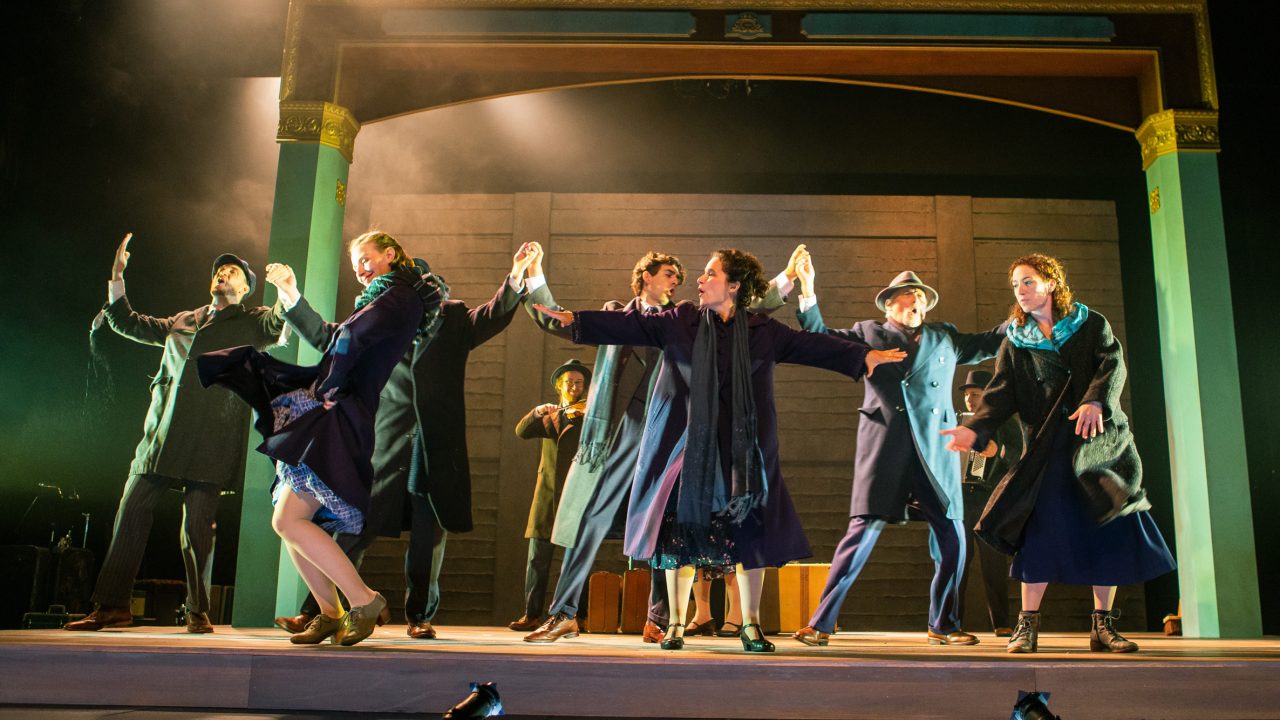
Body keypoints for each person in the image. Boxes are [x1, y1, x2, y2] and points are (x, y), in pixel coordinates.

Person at [534, 248, 903, 652]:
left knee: (749, 529)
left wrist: (862, 354)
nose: (699, 279)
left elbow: (810, 345)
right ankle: (673, 623)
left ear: (734, 285)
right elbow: (630, 324)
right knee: (677, 531)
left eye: (710, 273)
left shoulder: (763, 331)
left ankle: (750, 625)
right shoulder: (682, 321)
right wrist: (577, 321)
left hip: (743, 452)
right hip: (685, 446)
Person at [520, 244, 806, 645]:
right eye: (669, 273)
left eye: (680, 275)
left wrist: (787, 277)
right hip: (622, 430)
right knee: (592, 516)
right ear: (645, 277)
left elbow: (749, 305)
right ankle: (564, 612)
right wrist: (535, 277)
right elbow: (565, 321)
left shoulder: (689, 318)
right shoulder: (623, 313)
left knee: (665, 520)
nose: (677, 280)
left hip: (674, 431)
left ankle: (658, 618)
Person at [270, 245, 531, 640]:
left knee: (427, 537)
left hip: (432, 444)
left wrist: (516, 276)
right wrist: (292, 296)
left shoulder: (452, 318)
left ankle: (419, 616)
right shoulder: (376, 322)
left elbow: (492, 315)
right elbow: (330, 337)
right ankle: (319, 610)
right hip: (384, 438)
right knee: (355, 524)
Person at [196, 231, 443, 646]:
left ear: (391, 254)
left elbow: (347, 340)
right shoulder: (384, 297)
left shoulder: (401, 295)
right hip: (338, 403)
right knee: (286, 520)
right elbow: (336, 336)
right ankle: (330, 612)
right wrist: (291, 294)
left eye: (366, 259)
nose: (361, 270)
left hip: (340, 409)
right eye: (355, 265)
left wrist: (327, 388)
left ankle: (362, 599)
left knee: (290, 519)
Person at [941, 253, 1175, 654]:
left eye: (1028, 281)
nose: (1021, 290)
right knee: (1040, 533)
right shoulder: (1016, 339)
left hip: (1098, 444)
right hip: (1048, 446)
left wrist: (1096, 401)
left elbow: (1111, 364)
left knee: (1107, 526)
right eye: (1016, 284)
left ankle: (1103, 625)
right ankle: (1026, 626)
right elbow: (1000, 393)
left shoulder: (1090, 323)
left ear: (1051, 282)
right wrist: (974, 428)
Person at [66, 234, 286, 634]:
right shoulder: (185, 319)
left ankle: (198, 611)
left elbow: (278, 322)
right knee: (131, 509)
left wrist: (286, 289)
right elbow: (127, 322)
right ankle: (113, 605)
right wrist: (117, 277)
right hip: (161, 435)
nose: (222, 273)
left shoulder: (252, 322)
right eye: (219, 270)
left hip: (210, 437)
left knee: (198, 527)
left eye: (232, 271)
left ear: (245, 288)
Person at [790, 259, 1007, 648]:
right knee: (861, 534)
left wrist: (1024, 312)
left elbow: (992, 341)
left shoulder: (946, 337)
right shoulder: (867, 333)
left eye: (921, 298)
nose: (916, 303)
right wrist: (808, 288)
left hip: (934, 452)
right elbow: (819, 337)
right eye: (908, 296)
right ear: (889, 304)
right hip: (885, 447)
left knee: (953, 538)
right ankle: (820, 623)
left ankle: (944, 624)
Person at [508, 358, 590, 630]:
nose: (575, 387)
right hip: (546, 495)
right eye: (569, 382)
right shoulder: (552, 415)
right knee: (537, 559)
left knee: (576, 559)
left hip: (574, 494)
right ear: (559, 386)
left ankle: (577, 617)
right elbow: (521, 431)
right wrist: (536, 411)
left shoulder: (589, 415)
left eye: (579, 383)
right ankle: (532, 614)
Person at [956, 369, 1022, 637]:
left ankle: (1001, 622)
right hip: (959, 495)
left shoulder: (1003, 421)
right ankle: (951, 622)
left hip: (988, 496)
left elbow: (1020, 452)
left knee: (993, 562)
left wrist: (999, 451)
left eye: (976, 394)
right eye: (967, 395)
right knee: (957, 560)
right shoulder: (958, 421)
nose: (970, 400)